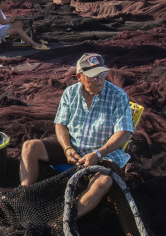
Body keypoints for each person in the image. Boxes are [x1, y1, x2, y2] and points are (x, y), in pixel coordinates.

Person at [19, 53, 134, 218]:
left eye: (102, 74)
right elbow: (61, 124)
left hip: (103, 152)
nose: (99, 80)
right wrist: (67, 148)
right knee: (30, 146)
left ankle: (66, 218)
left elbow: (124, 133)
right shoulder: (70, 93)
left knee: (104, 181)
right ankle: (24, 195)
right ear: (79, 77)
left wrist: (98, 154)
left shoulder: (118, 96)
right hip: (73, 146)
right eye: (93, 76)